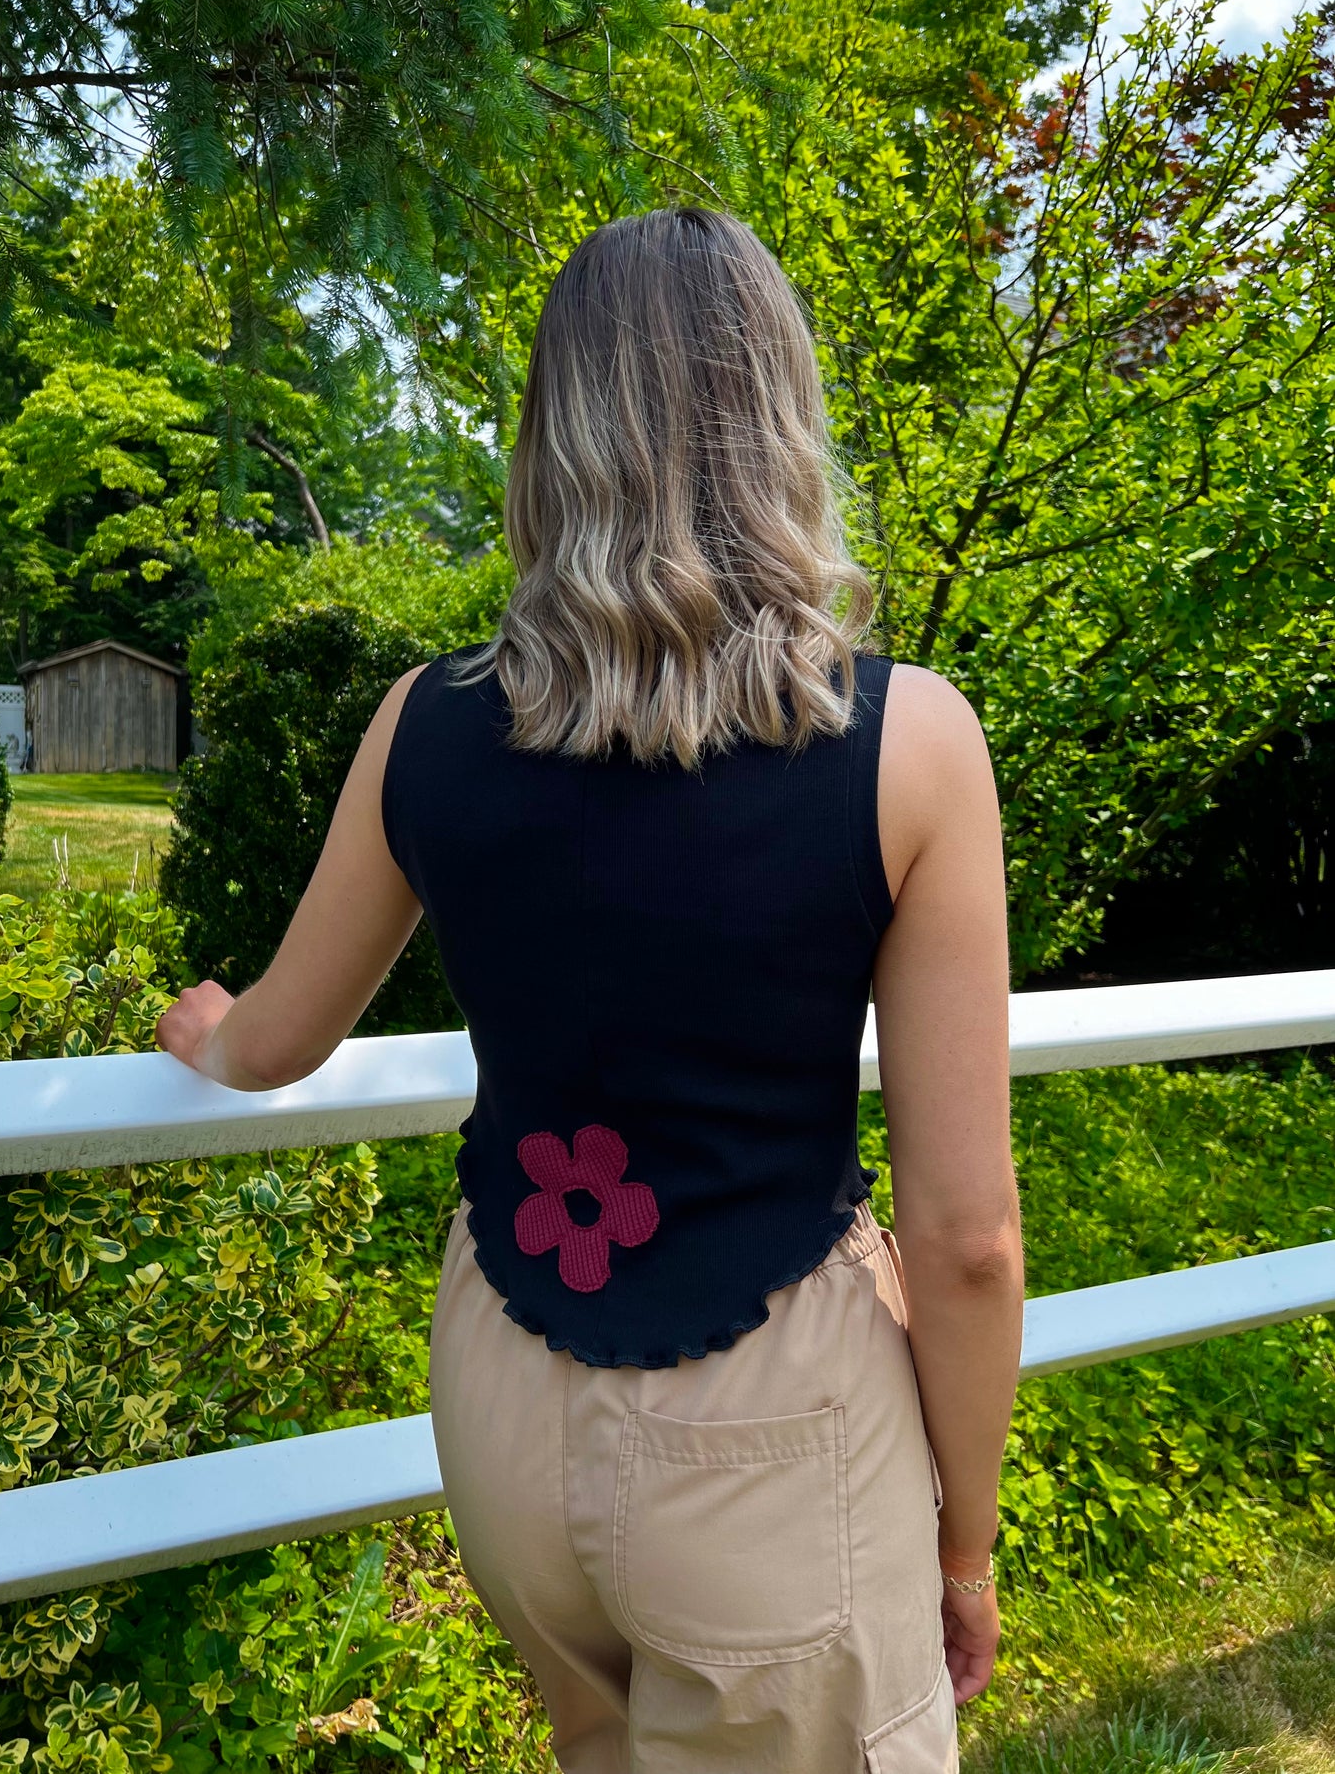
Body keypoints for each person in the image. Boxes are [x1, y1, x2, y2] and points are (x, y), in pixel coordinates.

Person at [156, 206, 1024, 1773]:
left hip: (504, 1384)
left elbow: (276, 1043)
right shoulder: (907, 744)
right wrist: (960, 1547)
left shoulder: (422, 725)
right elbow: (965, 1244)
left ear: (555, 434)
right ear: (780, 419)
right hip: (773, 1422)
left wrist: (203, 1034)